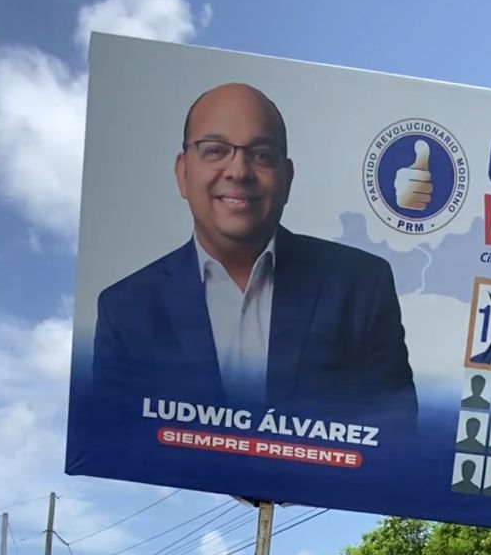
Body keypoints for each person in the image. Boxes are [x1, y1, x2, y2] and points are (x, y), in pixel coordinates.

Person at [87, 83, 416, 424]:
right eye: (215, 150)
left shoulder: (361, 287)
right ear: (182, 174)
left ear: (287, 179)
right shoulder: (125, 309)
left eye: (261, 155)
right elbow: (114, 443)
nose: (239, 172)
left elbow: (395, 439)